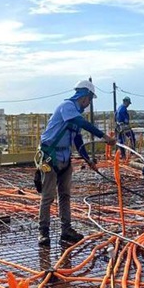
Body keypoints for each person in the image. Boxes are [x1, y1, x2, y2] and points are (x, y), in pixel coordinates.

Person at [37, 80, 116, 246]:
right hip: (50, 156)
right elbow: (82, 124)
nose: (88, 104)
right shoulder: (67, 106)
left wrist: (88, 160)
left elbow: (78, 139)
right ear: (85, 97)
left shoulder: (76, 114)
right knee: (48, 196)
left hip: (65, 157)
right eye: (89, 100)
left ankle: (66, 229)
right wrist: (104, 137)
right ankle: (43, 232)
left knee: (65, 195)